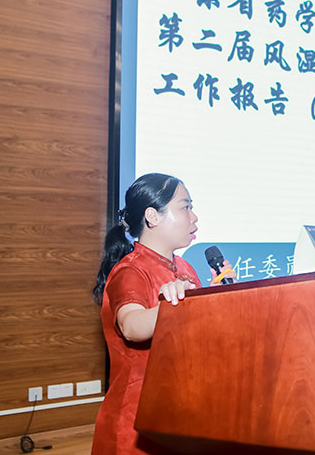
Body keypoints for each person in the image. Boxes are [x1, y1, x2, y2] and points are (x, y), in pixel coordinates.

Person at [90, 173, 225, 454]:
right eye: (185, 207)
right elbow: (132, 326)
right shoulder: (130, 269)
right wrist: (172, 305)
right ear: (152, 216)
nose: (194, 217)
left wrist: (215, 296)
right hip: (138, 421)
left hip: (179, 410)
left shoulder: (184, 268)